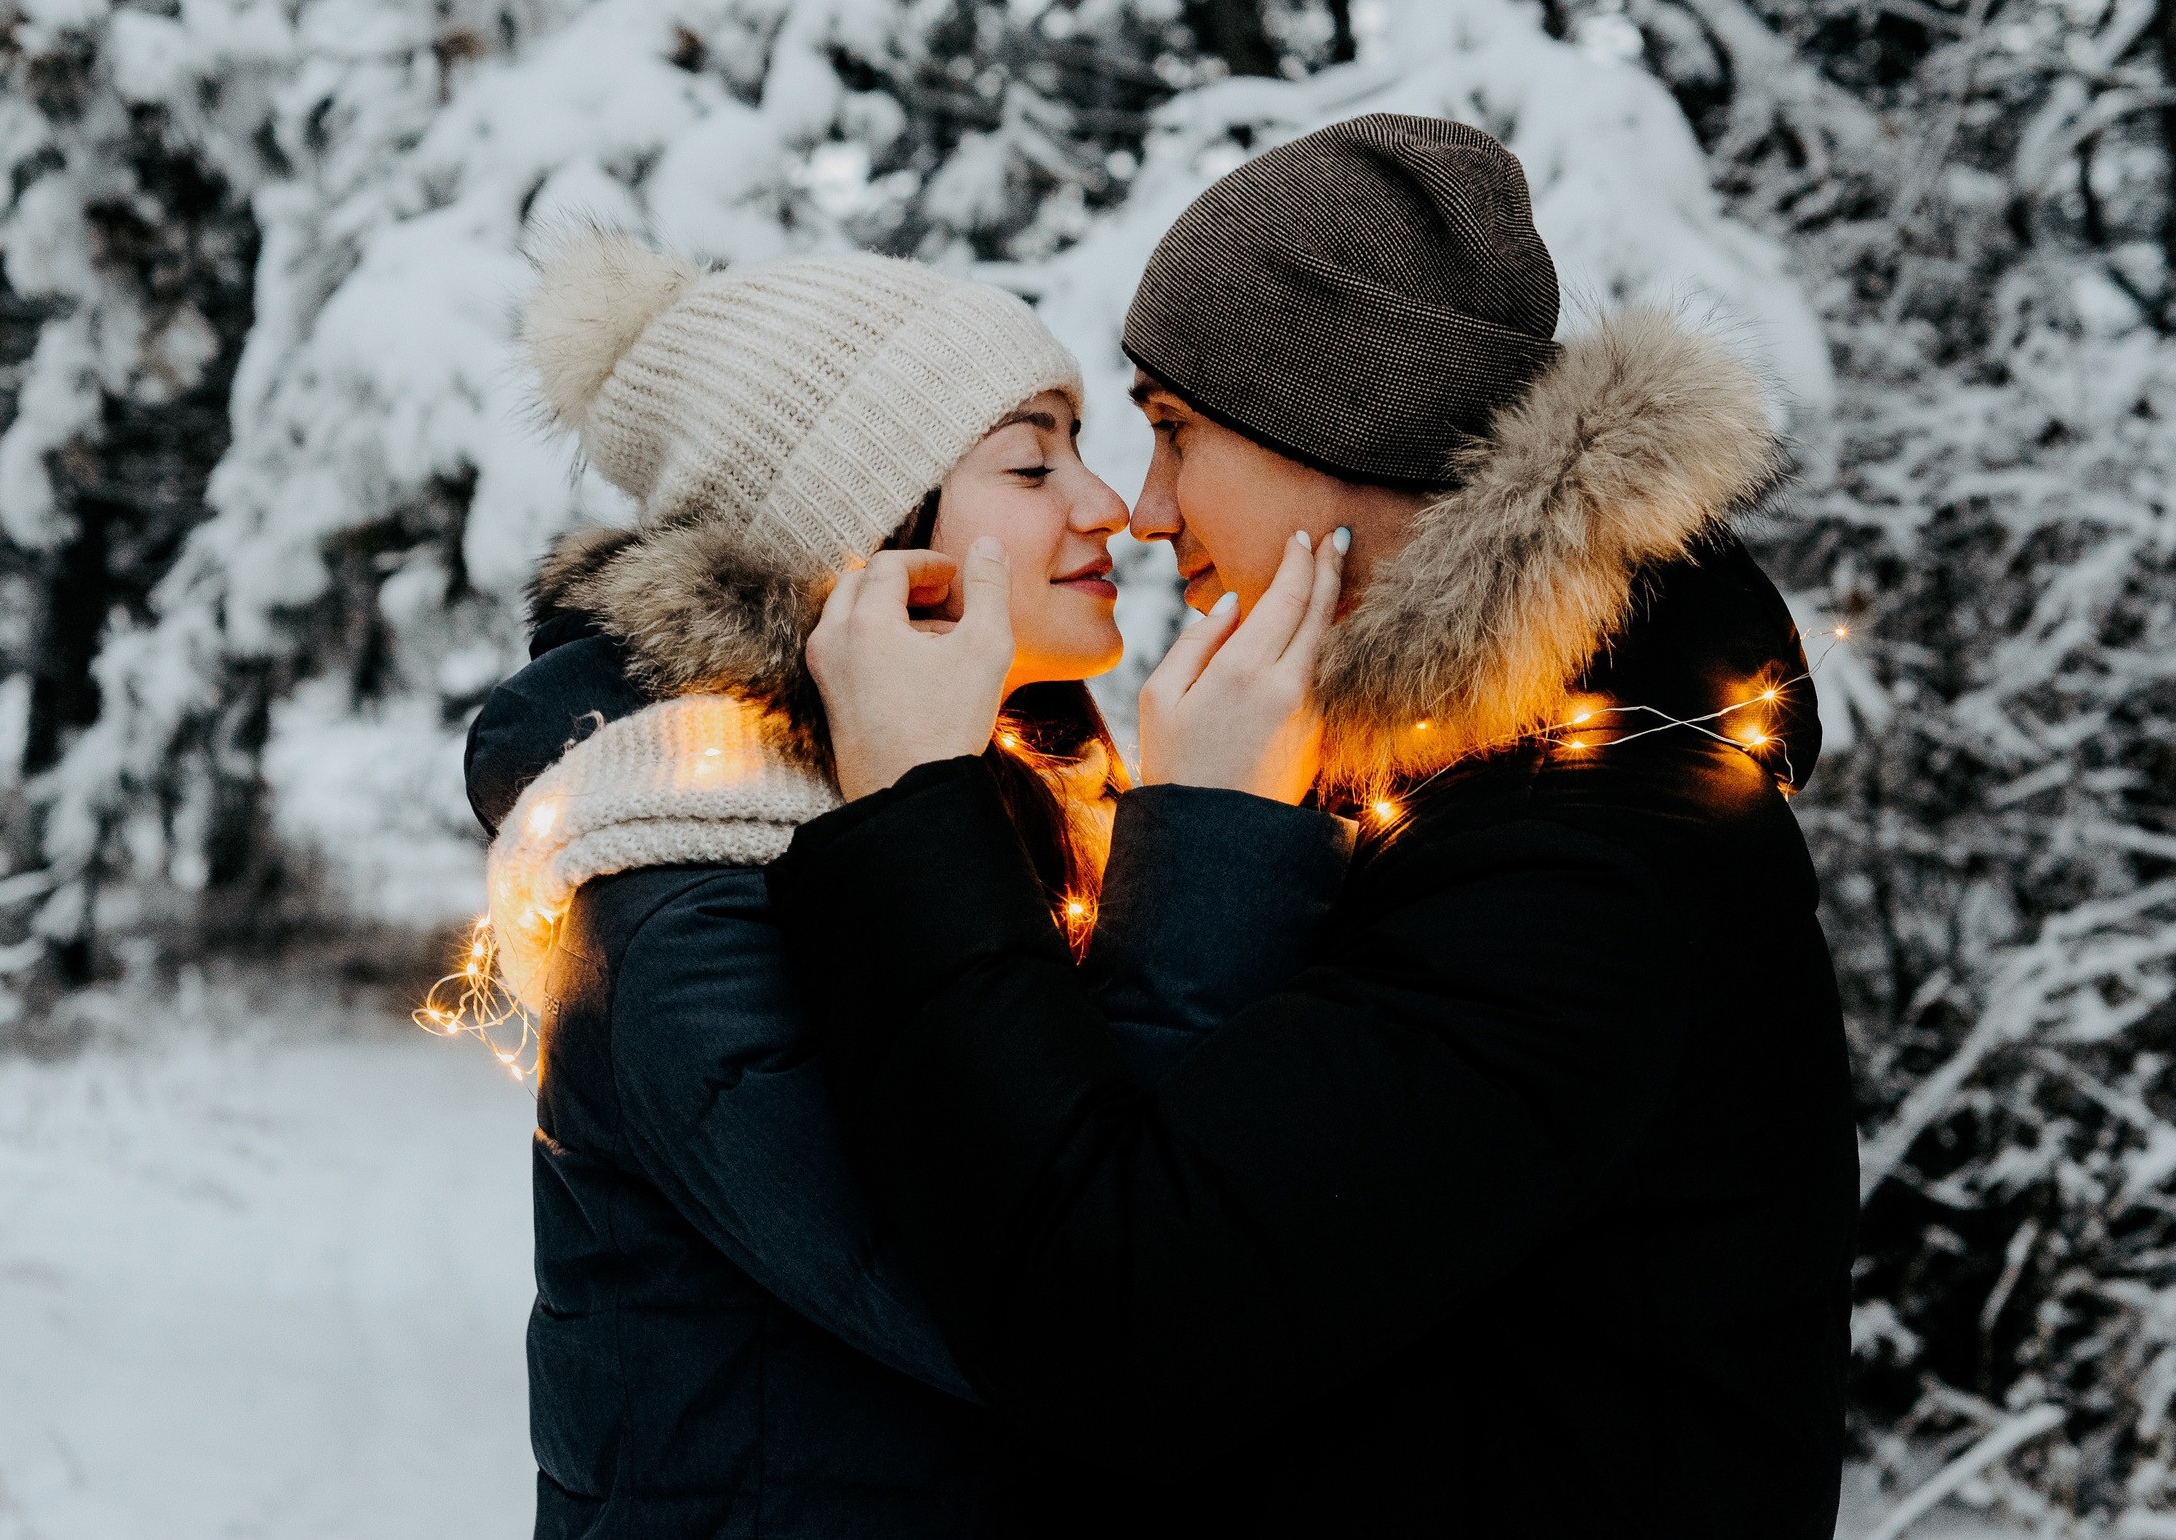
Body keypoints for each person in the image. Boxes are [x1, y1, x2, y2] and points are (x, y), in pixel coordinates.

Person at [769, 114, 1860, 1537]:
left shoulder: (1580, 863)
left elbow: (1116, 1328)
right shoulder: (1469, 792)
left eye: (1175, 432)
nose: (1146, 510)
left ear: (1346, 431)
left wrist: (923, 809)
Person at [462, 231, 1352, 1538]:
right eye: (1032, 464)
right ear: (861, 529)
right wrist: (1213, 838)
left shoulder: (1008, 808)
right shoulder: (687, 903)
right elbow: (1076, 1318)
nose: (1108, 505)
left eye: (1081, 450)